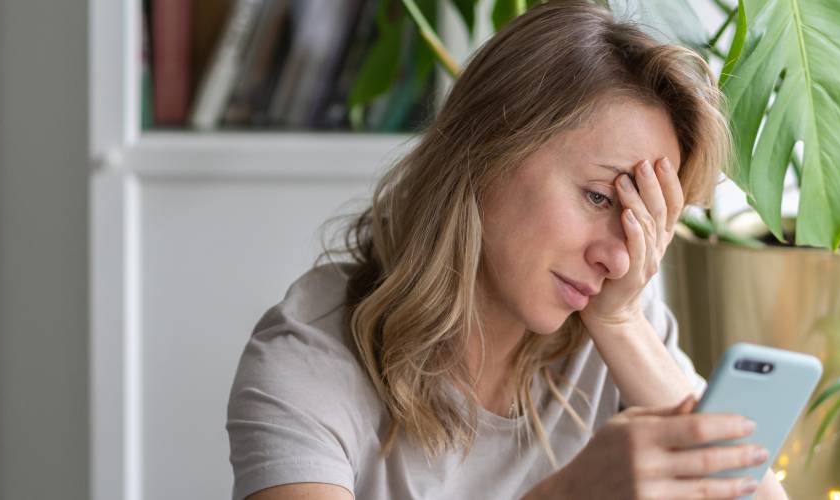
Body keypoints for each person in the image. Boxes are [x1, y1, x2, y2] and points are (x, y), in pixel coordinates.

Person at [227, 2, 786, 498]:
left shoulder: (612, 325)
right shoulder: (311, 355)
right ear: (488, 149)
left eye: (642, 218)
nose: (617, 259)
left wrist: (620, 324)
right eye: (598, 196)